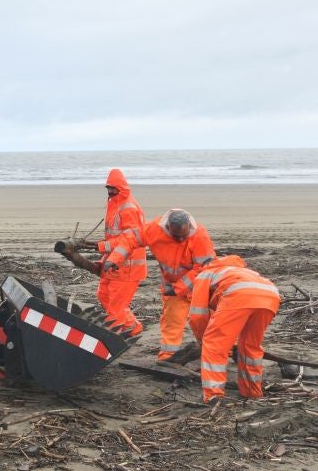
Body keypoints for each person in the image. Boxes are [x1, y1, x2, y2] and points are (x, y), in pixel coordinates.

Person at [103, 208, 216, 361]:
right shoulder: (155, 229)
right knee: (172, 322)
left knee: (209, 321)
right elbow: (130, 239)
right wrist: (115, 259)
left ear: (189, 226)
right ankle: (167, 357)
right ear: (168, 228)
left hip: (201, 287)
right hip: (173, 287)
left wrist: (178, 288)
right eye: (178, 237)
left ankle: (226, 350)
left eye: (185, 236)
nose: (182, 240)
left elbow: (203, 268)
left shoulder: (199, 236)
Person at [186, 254, 282, 402]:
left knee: (214, 345)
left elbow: (197, 316)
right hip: (270, 296)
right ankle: (252, 391)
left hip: (239, 295)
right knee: (251, 346)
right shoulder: (241, 271)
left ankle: (213, 395)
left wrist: (202, 341)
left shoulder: (205, 274)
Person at [83, 169, 147, 336]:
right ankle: (132, 326)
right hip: (113, 263)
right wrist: (103, 256)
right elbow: (114, 236)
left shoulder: (128, 208)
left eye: (113, 188)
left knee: (116, 307)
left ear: (122, 187)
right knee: (103, 295)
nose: (110, 191)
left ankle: (115, 336)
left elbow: (130, 240)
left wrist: (101, 246)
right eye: (108, 188)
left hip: (128, 266)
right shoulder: (114, 204)